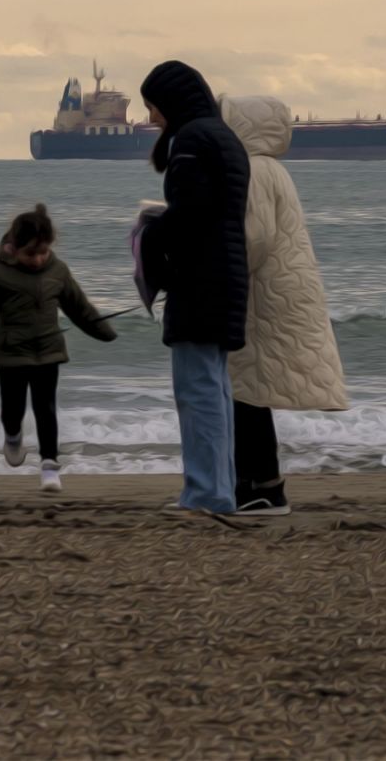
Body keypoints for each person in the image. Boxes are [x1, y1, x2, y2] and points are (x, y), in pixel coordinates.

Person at [218, 95, 349, 515]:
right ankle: (258, 484)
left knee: (247, 392)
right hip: (279, 290)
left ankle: (261, 487)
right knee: (252, 390)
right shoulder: (274, 168)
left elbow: (253, 240)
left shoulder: (254, 170)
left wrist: (215, 270)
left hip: (260, 296)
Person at [136, 61, 250, 514]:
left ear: (173, 100)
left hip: (200, 279)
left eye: (153, 106)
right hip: (224, 276)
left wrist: (150, 234)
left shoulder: (191, 140)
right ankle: (219, 491)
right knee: (215, 389)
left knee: (197, 392)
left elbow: (190, 215)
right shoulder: (222, 136)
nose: (150, 118)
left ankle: (205, 494)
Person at [0, 204, 117, 492]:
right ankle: (12, 436)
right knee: (13, 409)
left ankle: (49, 467)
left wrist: (104, 331)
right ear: (13, 247)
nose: (38, 259)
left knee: (46, 409)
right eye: (31, 253)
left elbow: (79, 307)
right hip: (11, 354)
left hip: (49, 351)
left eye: (43, 252)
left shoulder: (58, 271)